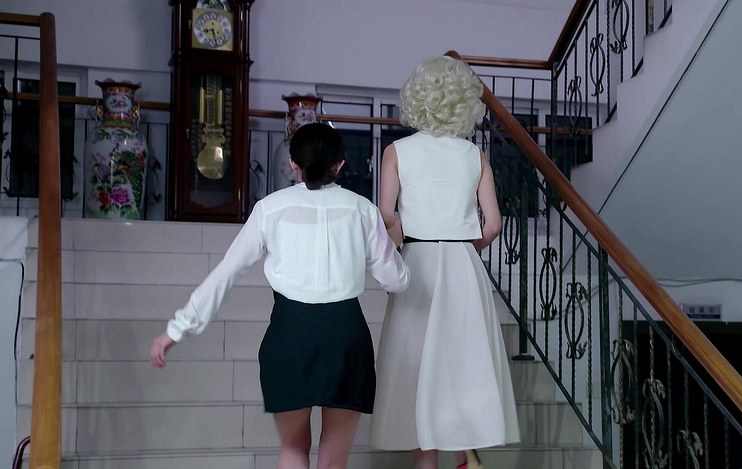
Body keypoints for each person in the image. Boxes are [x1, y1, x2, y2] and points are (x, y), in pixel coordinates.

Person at [149, 123, 410, 469]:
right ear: (340, 165)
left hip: (289, 334)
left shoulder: (270, 208)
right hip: (345, 336)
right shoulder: (362, 209)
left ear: (293, 165)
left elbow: (226, 273)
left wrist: (176, 330)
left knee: (293, 449)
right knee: (334, 463)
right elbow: (396, 281)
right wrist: (395, 240)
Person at [370, 56, 520, 469]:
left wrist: (402, 244)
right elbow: (493, 225)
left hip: (417, 262)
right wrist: (466, 251)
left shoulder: (397, 151)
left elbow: (385, 215)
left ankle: (428, 462)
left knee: (418, 369)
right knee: (461, 365)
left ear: (417, 97)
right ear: (463, 100)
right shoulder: (474, 155)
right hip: (462, 265)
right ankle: (467, 455)